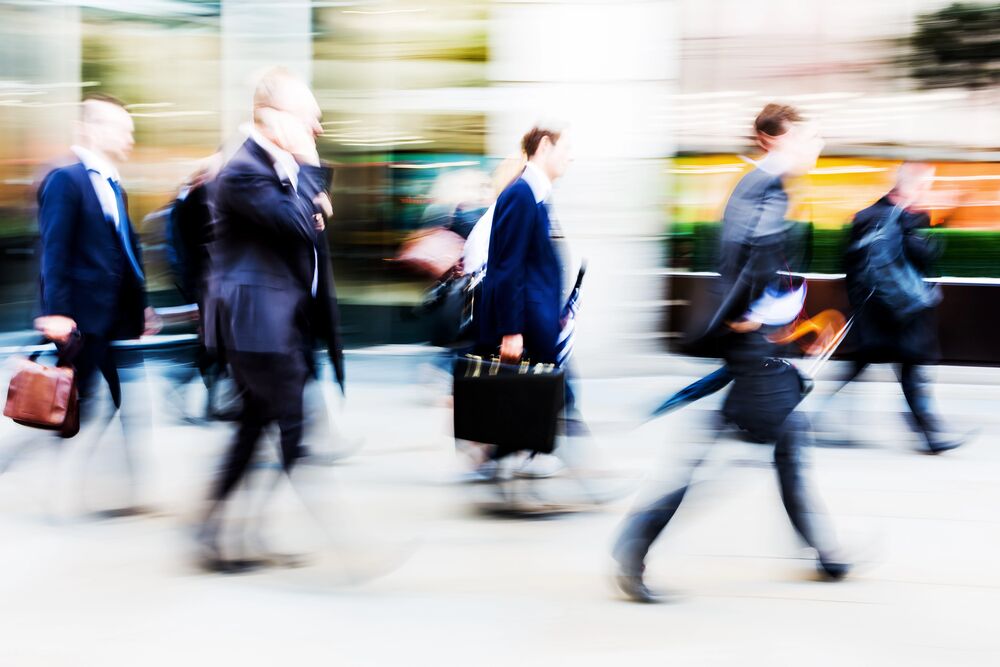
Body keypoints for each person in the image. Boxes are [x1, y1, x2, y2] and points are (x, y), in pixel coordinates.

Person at [612, 104, 850, 603]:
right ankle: (636, 542)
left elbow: (766, 265)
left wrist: (791, 326)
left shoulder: (769, 187)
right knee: (759, 449)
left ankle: (825, 553)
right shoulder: (763, 187)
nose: (816, 147)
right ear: (772, 139)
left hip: (760, 344)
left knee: (782, 446)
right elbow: (755, 250)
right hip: (754, 349)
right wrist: (749, 316)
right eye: (807, 137)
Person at [197, 67, 343, 571]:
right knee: (294, 433)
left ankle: (215, 533)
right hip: (256, 328)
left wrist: (308, 183)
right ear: (275, 118)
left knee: (254, 430)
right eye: (310, 117)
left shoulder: (275, 164)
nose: (317, 128)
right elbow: (299, 223)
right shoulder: (243, 169)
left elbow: (306, 221)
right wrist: (312, 181)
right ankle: (348, 545)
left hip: (277, 325)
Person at [34, 93, 161, 513]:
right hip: (82, 319)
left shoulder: (112, 184)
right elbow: (54, 251)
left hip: (115, 318)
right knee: (74, 404)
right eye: (120, 128)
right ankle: (62, 491)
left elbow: (125, 252)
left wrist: (140, 306)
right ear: (91, 129)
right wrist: (55, 313)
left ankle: (126, 489)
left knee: (121, 402)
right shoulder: (66, 181)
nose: (128, 136)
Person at [836, 162, 964, 453]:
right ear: (915, 186)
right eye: (926, 185)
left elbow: (848, 266)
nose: (927, 190)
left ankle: (929, 432)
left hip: (871, 314)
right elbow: (924, 257)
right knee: (909, 372)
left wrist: (856, 305)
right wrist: (940, 224)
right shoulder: (911, 218)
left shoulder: (865, 215)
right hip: (902, 315)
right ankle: (930, 433)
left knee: (863, 368)